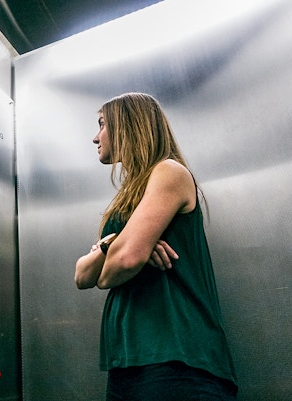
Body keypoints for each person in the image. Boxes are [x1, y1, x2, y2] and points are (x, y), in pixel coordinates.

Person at [75, 92, 237, 401]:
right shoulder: (125, 200)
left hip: (176, 360)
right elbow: (82, 275)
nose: (96, 138)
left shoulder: (169, 172)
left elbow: (117, 267)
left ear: (128, 125)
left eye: (102, 124)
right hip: (128, 363)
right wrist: (114, 244)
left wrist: (120, 252)